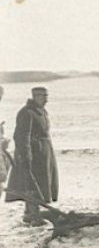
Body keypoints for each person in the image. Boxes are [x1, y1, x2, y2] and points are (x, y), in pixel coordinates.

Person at [5, 87, 59, 226]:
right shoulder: (26, 113)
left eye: (47, 96)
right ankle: (32, 215)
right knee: (32, 184)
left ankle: (31, 213)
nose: (46, 99)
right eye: (43, 96)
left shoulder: (41, 112)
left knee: (41, 184)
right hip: (33, 156)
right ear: (36, 96)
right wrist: (26, 156)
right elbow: (22, 137)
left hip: (43, 155)